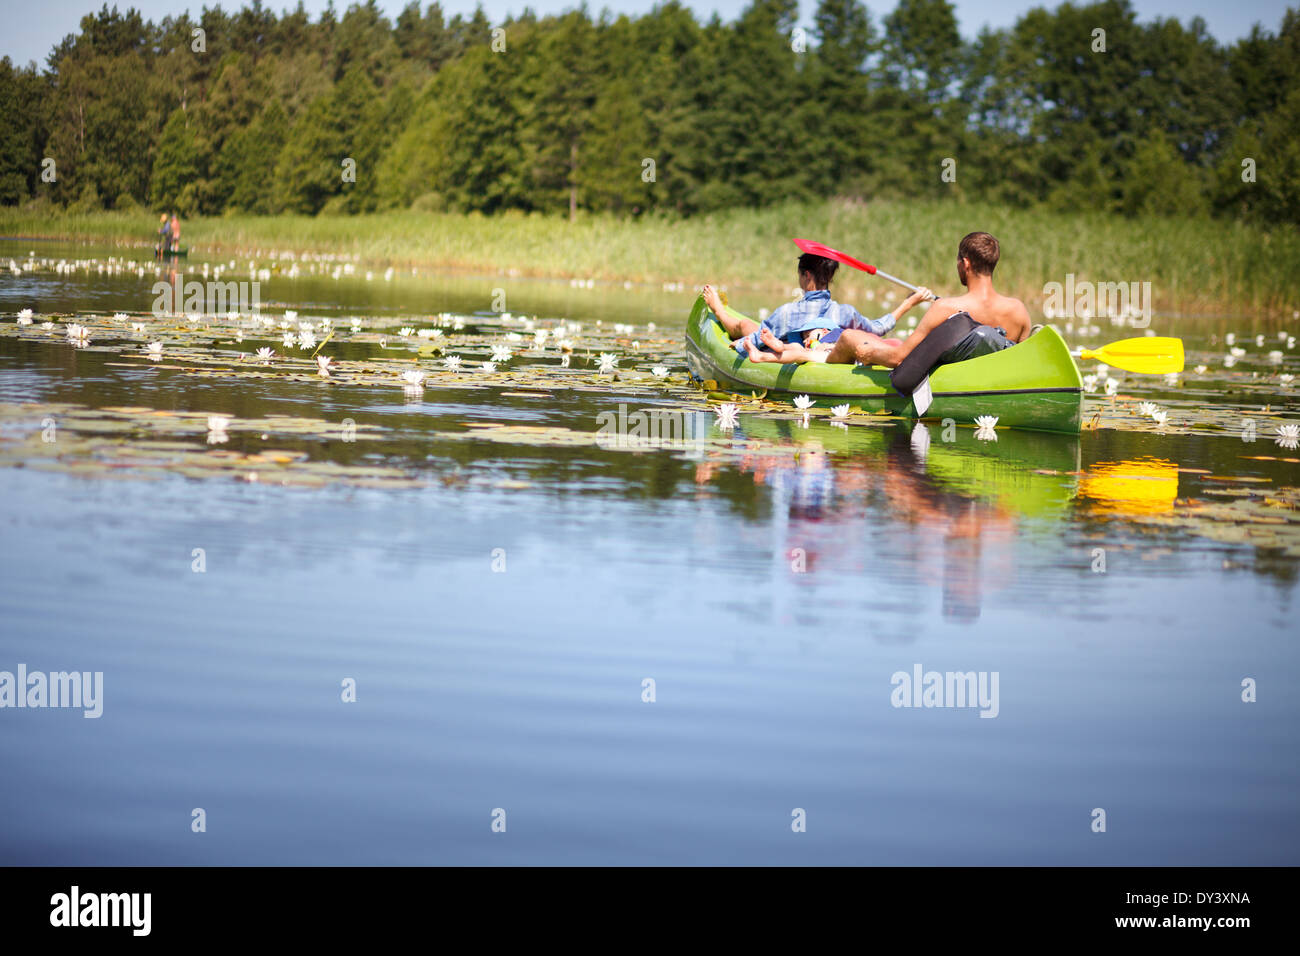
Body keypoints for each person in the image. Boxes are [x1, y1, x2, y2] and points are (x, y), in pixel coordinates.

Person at [824, 232, 1030, 369]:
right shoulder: (1018, 310)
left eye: (958, 261)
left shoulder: (945, 308)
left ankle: (817, 362)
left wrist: (870, 353)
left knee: (850, 336)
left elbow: (899, 358)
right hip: (990, 383)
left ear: (965, 263)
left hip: (947, 386)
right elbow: (1021, 363)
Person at [700, 252, 930, 363]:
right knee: (751, 326)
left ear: (806, 275)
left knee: (744, 325)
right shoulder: (846, 312)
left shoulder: (788, 313)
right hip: (819, 349)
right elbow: (879, 328)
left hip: (809, 352)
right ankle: (721, 310)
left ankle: (719, 310)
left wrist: (735, 345)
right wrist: (909, 302)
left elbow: (756, 339)